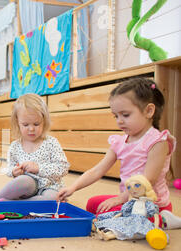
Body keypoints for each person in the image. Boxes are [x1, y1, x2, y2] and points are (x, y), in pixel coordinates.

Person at [57, 78, 181, 230]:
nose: (119, 121)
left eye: (125, 115)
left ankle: (163, 219)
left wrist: (119, 199)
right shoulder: (120, 142)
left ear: (149, 111)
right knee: (92, 204)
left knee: (107, 217)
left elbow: (148, 180)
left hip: (151, 204)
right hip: (128, 200)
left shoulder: (158, 142)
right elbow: (98, 170)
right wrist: (73, 188)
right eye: (116, 116)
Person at [0, 93, 69, 201]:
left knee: (54, 199)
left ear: (44, 121)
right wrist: (14, 171)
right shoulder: (15, 146)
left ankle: (13, 203)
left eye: (36, 124)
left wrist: (39, 168)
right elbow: (9, 167)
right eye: (25, 125)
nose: (31, 129)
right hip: (27, 187)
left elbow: (63, 168)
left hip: (50, 186)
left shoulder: (51, 142)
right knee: (24, 181)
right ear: (17, 123)